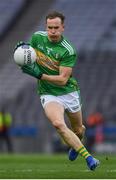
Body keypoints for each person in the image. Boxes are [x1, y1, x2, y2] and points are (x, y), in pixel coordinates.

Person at [15, 11, 100, 170]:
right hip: (48, 93)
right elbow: (28, 54)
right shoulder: (37, 38)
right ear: (45, 27)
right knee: (58, 124)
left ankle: (77, 142)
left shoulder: (67, 50)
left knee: (78, 130)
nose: (52, 31)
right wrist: (21, 50)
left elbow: (62, 80)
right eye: (49, 27)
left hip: (68, 92)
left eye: (56, 27)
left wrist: (39, 75)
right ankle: (89, 158)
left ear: (63, 28)